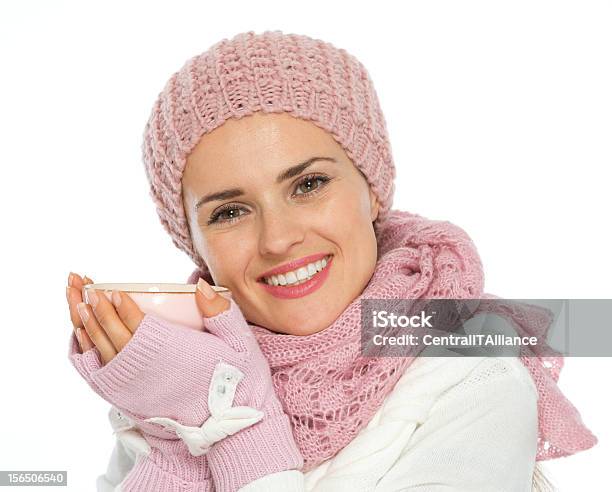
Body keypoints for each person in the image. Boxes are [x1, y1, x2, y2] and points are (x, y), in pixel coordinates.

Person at [65, 30, 597, 491]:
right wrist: (180, 437)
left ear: (374, 188)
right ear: (194, 245)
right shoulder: (183, 379)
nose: (277, 239)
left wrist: (228, 420)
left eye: (309, 184)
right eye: (230, 212)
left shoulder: (471, 371)